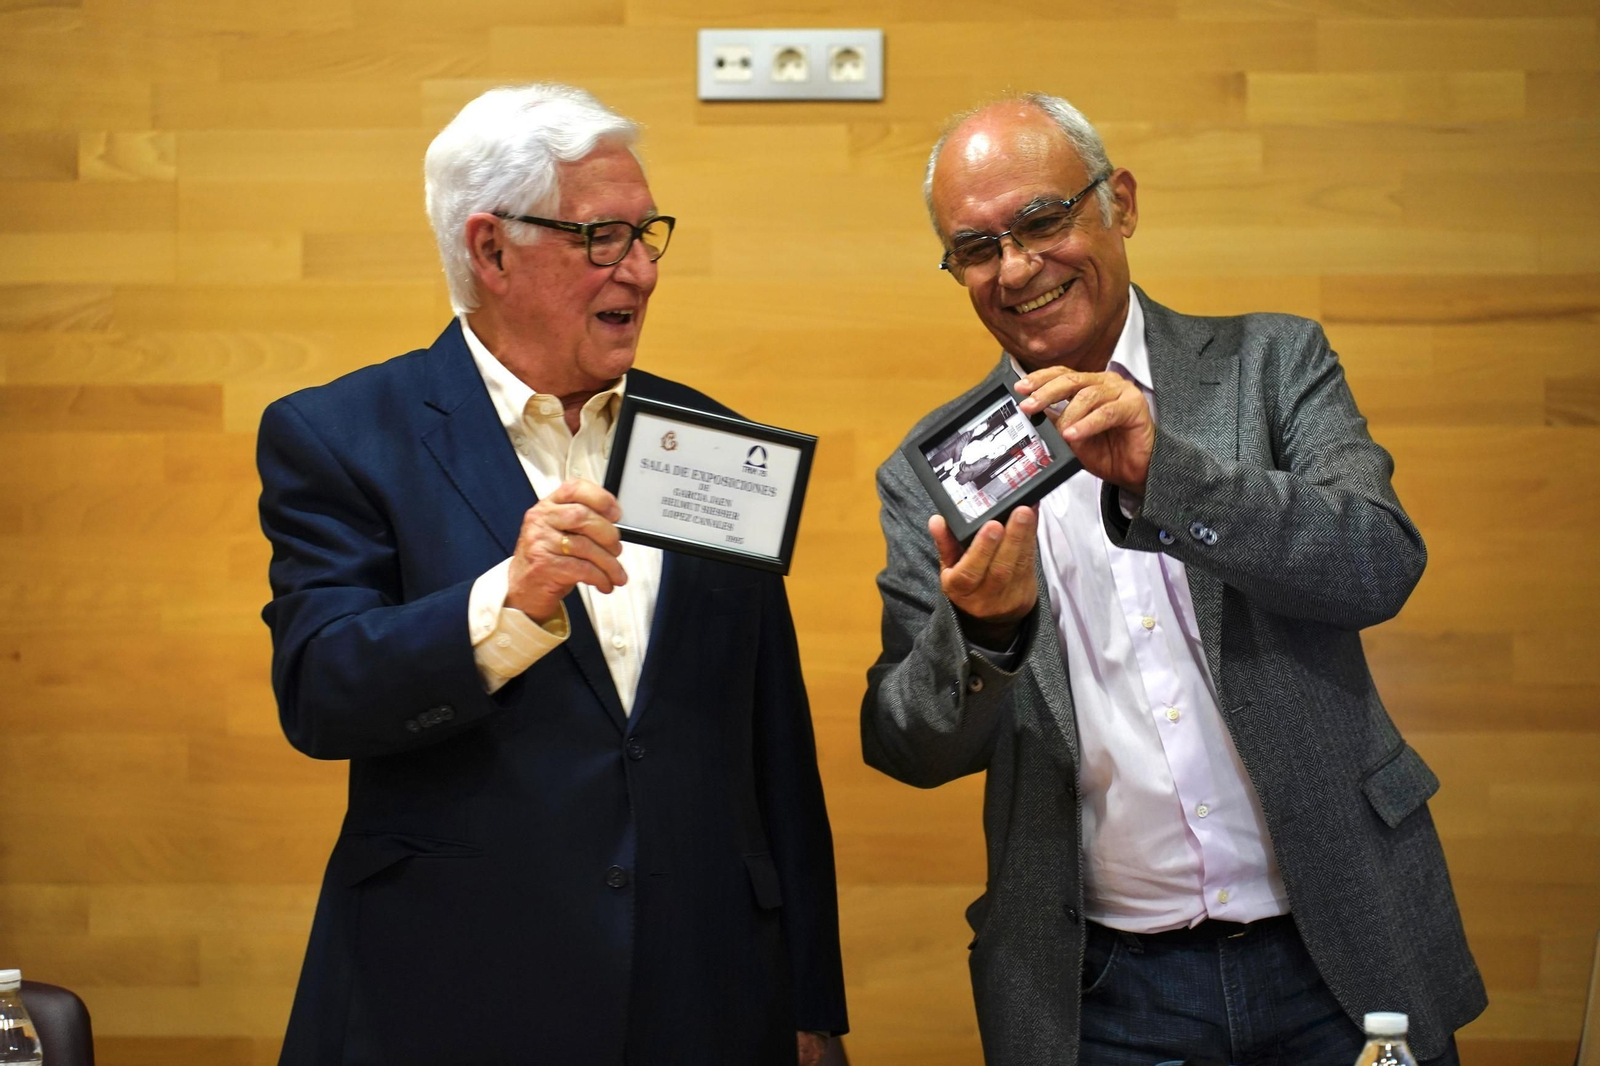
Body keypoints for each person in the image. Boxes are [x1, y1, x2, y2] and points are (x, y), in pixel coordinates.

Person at [860, 93, 1485, 1066]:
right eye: (976, 247)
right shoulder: (931, 472)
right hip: (1107, 994)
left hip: (1342, 945)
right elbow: (908, 742)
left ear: (1120, 202)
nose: (1016, 267)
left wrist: (1166, 471)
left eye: (1041, 220)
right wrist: (983, 634)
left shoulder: (1271, 364)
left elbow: (1376, 560)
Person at [257, 83, 846, 1066]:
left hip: (704, 999)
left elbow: (771, 737)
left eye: (649, 233)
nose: (645, 270)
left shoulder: (712, 440)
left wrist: (813, 1005)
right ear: (491, 250)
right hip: (448, 996)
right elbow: (322, 688)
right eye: (604, 237)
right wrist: (507, 605)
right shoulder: (344, 435)